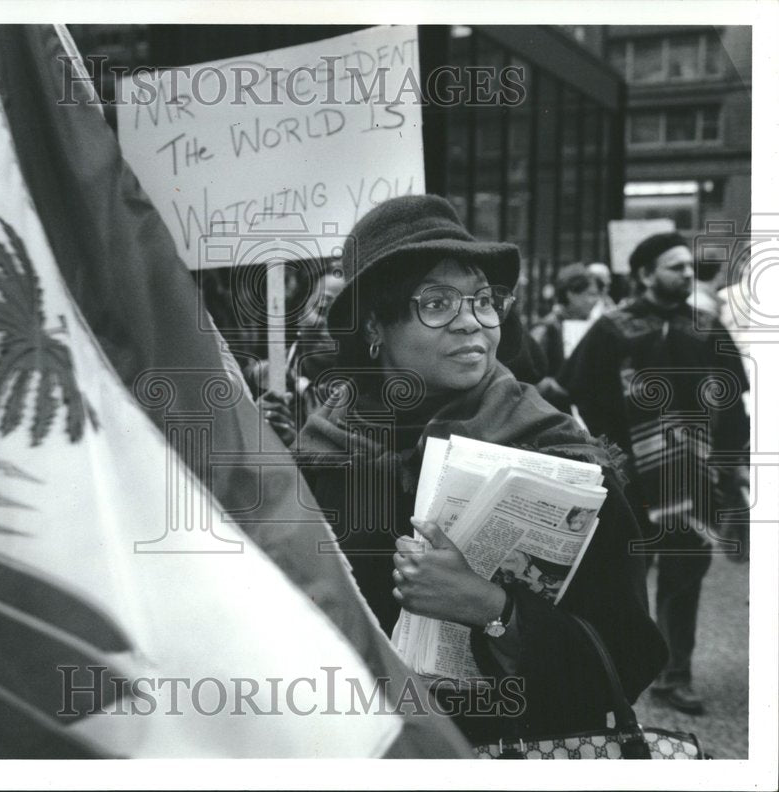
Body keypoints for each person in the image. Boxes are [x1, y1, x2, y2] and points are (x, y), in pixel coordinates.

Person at [295, 195, 666, 745]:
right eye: (438, 303)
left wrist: (494, 610)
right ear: (374, 323)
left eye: (484, 300)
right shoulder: (319, 454)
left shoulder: (561, 454)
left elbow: (630, 657)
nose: (472, 322)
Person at [559, 231, 750, 716]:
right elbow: (575, 389)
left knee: (685, 578)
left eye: (689, 266)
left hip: (694, 478)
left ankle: (674, 675)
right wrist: (614, 448)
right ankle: (620, 669)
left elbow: (732, 404)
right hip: (633, 479)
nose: (686, 273)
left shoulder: (707, 327)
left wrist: (731, 465)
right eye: (674, 266)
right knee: (623, 580)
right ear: (645, 275)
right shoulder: (613, 329)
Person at [250, 266, 345, 445]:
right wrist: (252, 422)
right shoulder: (256, 377)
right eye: (322, 309)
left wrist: (297, 446)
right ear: (300, 312)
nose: (331, 326)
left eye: (344, 317)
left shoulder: (363, 396)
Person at [530, 263, 601, 411]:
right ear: (571, 294)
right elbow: (530, 376)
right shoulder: (547, 328)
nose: (595, 301)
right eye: (590, 294)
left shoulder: (593, 325)